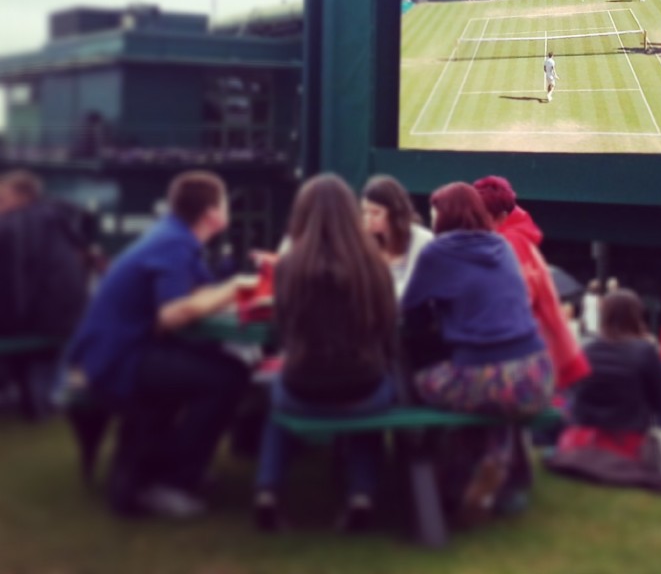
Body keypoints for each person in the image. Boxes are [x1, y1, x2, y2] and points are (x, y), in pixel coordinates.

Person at [65, 171, 250, 518]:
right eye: (225, 203)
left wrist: (242, 287)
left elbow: (196, 295)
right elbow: (171, 313)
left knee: (221, 365)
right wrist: (237, 286)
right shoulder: (174, 244)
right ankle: (173, 482)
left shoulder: (172, 238)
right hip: (119, 359)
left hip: (117, 351)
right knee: (227, 377)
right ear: (211, 213)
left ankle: (175, 468)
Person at [401, 183, 553, 524]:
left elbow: (411, 314)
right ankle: (495, 458)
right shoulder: (502, 247)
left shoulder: (436, 252)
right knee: (492, 397)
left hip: (488, 379)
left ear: (445, 215)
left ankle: (440, 479)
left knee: (421, 383)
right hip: (536, 376)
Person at [254, 174, 396, 532]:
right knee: (374, 397)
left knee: (276, 397)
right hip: (364, 389)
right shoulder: (375, 267)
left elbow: (283, 330)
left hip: (302, 387)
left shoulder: (288, 266)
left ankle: (268, 490)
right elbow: (386, 329)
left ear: (302, 214)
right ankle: (361, 494)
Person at [472, 176, 589, 391]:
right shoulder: (514, 239)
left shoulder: (511, 243)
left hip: (526, 359)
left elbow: (516, 301)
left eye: (481, 217)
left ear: (502, 216)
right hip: (537, 353)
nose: (475, 223)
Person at [0, 169, 92, 417]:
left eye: (3, 198)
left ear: (22, 196)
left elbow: (16, 283)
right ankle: (48, 401)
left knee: (34, 355)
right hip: (73, 315)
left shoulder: (13, 225)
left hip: (43, 319)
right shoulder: (58, 216)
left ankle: (41, 403)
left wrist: (14, 320)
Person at [560, 290, 661, 460]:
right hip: (627, 442)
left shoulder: (586, 350)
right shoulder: (645, 352)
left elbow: (572, 394)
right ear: (637, 316)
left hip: (581, 441)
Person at [360, 175, 433, 298]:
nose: (368, 219)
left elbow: (415, 289)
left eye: (375, 212)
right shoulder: (364, 242)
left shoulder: (422, 239)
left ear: (395, 212)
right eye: (365, 211)